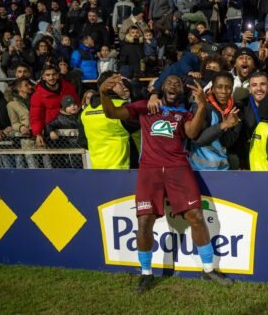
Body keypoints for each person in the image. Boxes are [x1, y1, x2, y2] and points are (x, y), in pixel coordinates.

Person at [99, 73, 233, 293]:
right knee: (143, 223)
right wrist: (103, 93)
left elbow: (191, 132)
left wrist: (200, 106)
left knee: (197, 217)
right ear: (161, 88)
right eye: (170, 83)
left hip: (178, 168)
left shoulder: (183, 112)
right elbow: (112, 113)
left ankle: (208, 269)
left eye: (178, 83)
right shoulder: (145, 106)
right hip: (150, 170)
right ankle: (146, 274)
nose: (173, 85)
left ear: (181, 91)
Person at [30, 65, 80, 148]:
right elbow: (36, 117)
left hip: (71, 131)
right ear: (43, 77)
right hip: (52, 135)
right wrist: (37, 134)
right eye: (48, 75)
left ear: (58, 75)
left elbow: (77, 104)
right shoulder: (37, 95)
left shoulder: (68, 87)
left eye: (53, 74)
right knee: (58, 159)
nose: (51, 77)